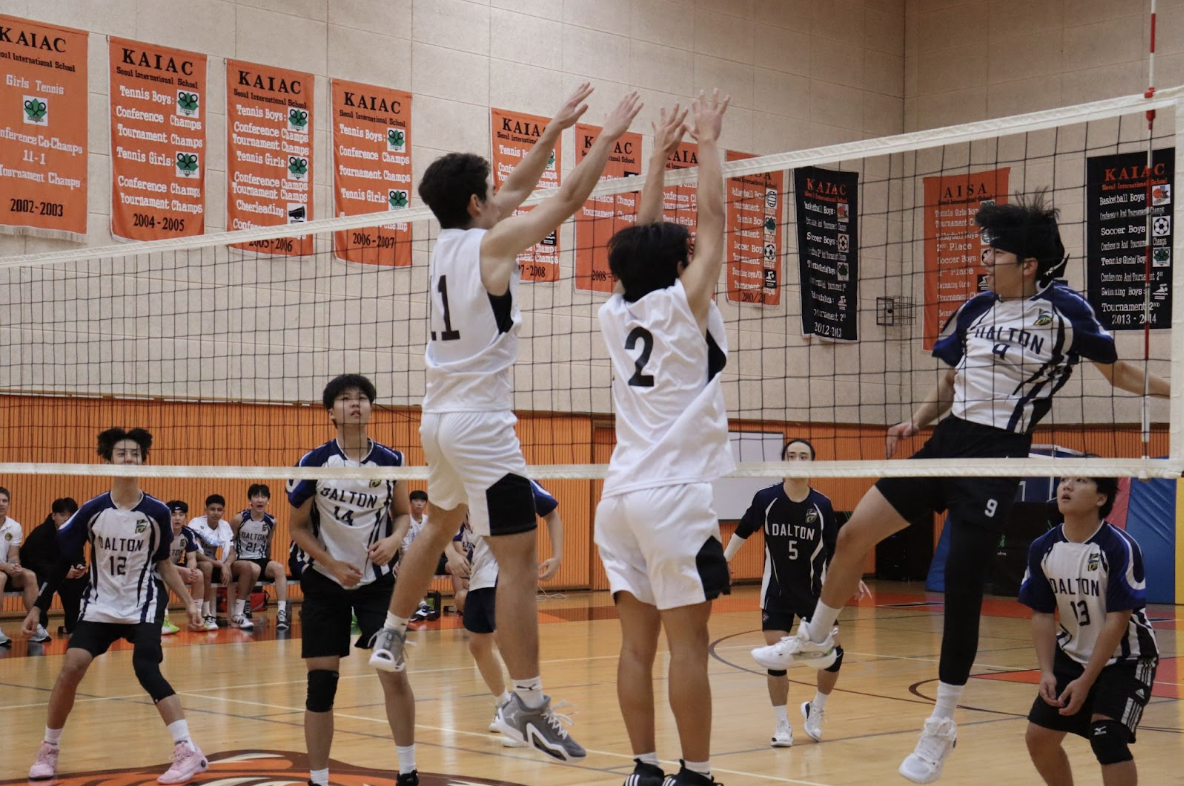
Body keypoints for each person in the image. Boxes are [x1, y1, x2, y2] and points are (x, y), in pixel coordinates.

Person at [750, 192, 1171, 783]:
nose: (984, 263)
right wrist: (917, 422)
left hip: (997, 459)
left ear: (1027, 263)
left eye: (994, 254)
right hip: (945, 445)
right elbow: (951, 381)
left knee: (964, 592)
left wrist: (1175, 393)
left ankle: (941, 726)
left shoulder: (1066, 309)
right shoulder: (977, 307)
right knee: (852, 535)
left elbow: (1119, 372)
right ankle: (814, 639)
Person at [369, 84, 642, 764]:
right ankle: (526, 702)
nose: (500, 198)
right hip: (482, 425)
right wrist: (605, 145)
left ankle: (392, 633)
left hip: (436, 418)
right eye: (488, 193)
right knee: (518, 563)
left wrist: (552, 131)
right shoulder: (490, 245)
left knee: (436, 525)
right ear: (473, 203)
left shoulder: (446, 245)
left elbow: (516, 187)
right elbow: (564, 202)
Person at [594, 92, 731, 786]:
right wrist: (707, 141)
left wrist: (655, 156)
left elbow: (640, 238)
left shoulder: (615, 312)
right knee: (689, 646)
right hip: (672, 496)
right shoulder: (685, 304)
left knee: (635, 646)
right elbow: (713, 222)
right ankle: (697, 775)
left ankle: (644, 771)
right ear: (678, 266)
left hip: (617, 497)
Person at [24, 428, 208, 783]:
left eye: (135, 454)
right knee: (71, 666)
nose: (128, 459)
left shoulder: (156, 512)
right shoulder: (93, 510)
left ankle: (188, 750)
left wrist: (190, 605)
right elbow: (64, 559)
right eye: (121, 453)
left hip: (142, 604)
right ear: (108, 460)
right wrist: (38, 607)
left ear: (143, 461)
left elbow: (164, 564)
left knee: (146, 667)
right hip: (102, 604)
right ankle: (49, 749)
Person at [287, 374, 418, 786]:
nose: (355, 404)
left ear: (371, 408)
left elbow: (401, 513)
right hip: (326, 582)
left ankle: (408, 771)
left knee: (393, 670)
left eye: (362, 398)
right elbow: (297, 528)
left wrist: (396, 541)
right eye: (345, 399)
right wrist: (330, 561)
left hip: (377, 582)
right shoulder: (313, 463)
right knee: (321, 685)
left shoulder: (392, 459)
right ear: (332, 412)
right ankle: (319, 779)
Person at [723, 438, 868, 747]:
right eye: (792, 455)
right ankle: (782, 725)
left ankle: (815, 709)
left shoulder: (822, 505)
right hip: (776, 590)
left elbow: (836, 548)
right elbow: (743, 529)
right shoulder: (766, 499)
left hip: (815, 595)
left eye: (803, 455)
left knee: (834, 655)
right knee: (777, 659)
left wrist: (852, 574)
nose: (798, 459)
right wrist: (722, 562)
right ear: (783, 461)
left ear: (811, 463)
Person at [1020, 475, 1158, 786]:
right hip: (1071, 654)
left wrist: (1086, 681)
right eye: (1065, 479)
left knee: (1106, 736)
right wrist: (1046, 672)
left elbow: (1118, 618)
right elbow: (1041, 613)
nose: (1066, 486)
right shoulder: (1043, 547)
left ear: (1101, 498)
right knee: (1039, 737)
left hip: (1127, 658)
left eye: (1080, 480)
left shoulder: (1119, 546)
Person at [458, 479, 562, 739]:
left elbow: (551, 514)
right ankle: (505, 706)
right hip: (479, 574)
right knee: (477, 645)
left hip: (504, 571)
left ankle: (527, 712)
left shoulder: (518, 478)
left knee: (506, 641)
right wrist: (450, 554)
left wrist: (557, 556)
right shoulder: (462, 481)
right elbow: (444, 526)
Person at [20, 497, 86, 638]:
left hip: (62, 572)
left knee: (80, 581)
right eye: (62, 515)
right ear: (53, 515)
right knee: (43, 582)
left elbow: (78, 555)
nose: (66, 519)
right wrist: (62, 572)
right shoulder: (40, 534)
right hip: (35, 571)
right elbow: (36, 564)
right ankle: (39, 626)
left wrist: (80, 566)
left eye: (70, 516)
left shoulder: (74, 534)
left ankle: (73, 626)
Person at [230, 484, 290, 630]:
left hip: (260, 558)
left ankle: (281, 613)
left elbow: (268, 544)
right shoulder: (239, 519)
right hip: (241, 559)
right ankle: (244, 605)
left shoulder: (271, 521)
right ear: (250, 500)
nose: (260, 500)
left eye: (263, 496)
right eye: (256, 496)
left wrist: (268, 563)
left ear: (268, 500)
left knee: (279, 568)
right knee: (254, 568)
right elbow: (229, 543)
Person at [0, 485, 52, 645]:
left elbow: (13, 555)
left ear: (9, 504)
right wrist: (6, 568)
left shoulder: (14, 526)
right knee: (0, 577)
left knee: (29, 576)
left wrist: (15, 566)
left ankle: (34, 626)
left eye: (4, 501)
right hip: (1, 572)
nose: (1, 504)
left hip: (5, 569)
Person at [188, 494, 235, 630]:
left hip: (216, 563)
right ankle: (207, 613)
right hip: (199, 561)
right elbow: (196, 554)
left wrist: (226, 565)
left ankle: (239, 613)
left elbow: (232, 552)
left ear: (223, 512)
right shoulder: (196, 523)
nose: (216, 513)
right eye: (212, 509)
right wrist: (220, 564)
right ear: (205, 510)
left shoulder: (225, 526)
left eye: (219, 510)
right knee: (207, 566)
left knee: (246, 568)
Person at [161, 501, 205, 636]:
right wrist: (183, 571)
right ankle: (164, 620)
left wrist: (191, 570)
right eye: (173, 515)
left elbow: (191, 558)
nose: (177, 518)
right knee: (164, 579)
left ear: (186, 517)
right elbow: (161, 562)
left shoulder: (188, 533)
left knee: (199, 575)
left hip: (176, 568)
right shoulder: (162, 532)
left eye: (181, 515)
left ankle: (196, 618)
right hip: (158, 569)